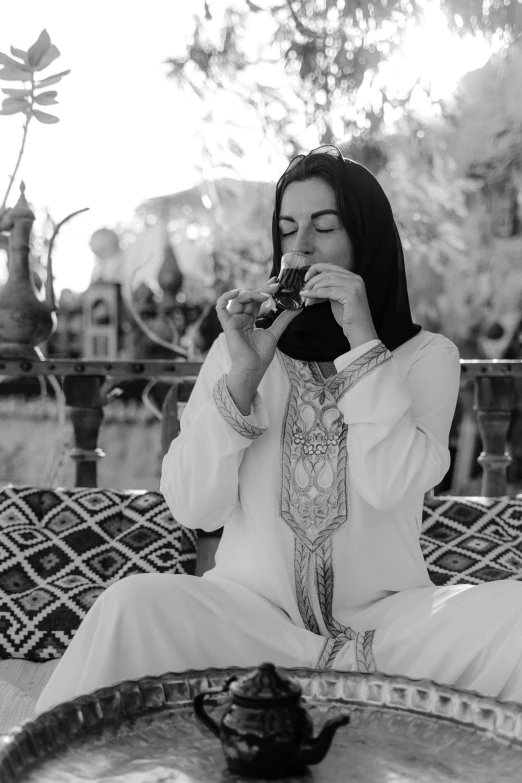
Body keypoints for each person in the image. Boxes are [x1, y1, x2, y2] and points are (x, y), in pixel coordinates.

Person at [36, 145, 522, 715]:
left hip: (389, 632)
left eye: (325, 227)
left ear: (366, 239)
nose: (302, 248)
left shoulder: (424, 357)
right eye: (288, 229)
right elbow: (195, 508)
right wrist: (244, 376)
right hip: (250, 629)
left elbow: (391, 484)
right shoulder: (240, 352)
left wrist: (363, 341)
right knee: (130, 606)